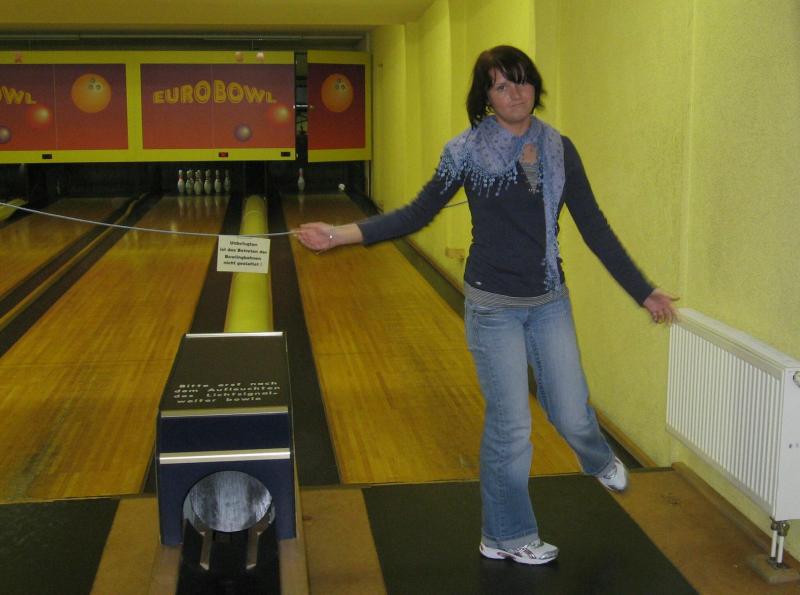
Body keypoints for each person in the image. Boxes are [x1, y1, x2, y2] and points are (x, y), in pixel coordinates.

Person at [296, 45, 678, 566]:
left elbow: (594, 227)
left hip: (548, 300)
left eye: (522, 81)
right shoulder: (465, 151)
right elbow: (417, 213)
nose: (515, 93)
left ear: (535, 86)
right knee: (511, 426)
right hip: (493, 307)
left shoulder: (559, 149)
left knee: (572, 412)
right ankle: (506, 534)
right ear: (487, 97)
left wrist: (643, 290)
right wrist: (340, 234)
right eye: (501, 85)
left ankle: (595, 458)